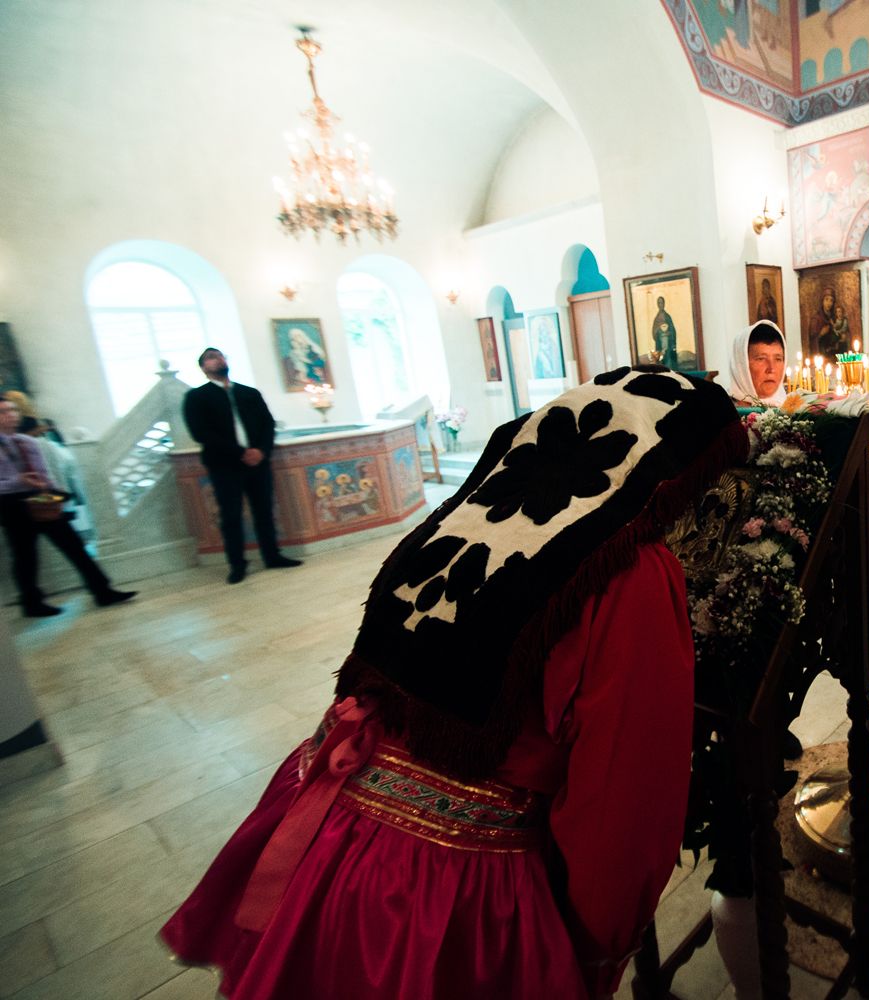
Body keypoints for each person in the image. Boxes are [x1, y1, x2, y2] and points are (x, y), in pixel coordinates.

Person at [160, 368, 747, 1000]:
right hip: (440, 893)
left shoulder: (466, 515)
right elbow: (622, 809)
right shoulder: (630, 573)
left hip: (328, 838)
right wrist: (598, 948)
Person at [0, 400, 135, 616]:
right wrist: (19, 482)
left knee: (74, 546)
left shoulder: (27, 442)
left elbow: (44, 472)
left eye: (12, 410)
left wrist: (53, 491)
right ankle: (31, 603)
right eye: (3, 412)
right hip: (11, 505)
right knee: (25, 555)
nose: (11, 415)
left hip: (41, 499)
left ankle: (102, 590)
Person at [182, 348, 302, 584]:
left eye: (220, 356)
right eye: (211, 358)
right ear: (203, 368)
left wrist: (261, 451)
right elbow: (201, 433)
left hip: (258, 462)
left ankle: (272, 556)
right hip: (225, 465)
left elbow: (267, 424)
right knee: (231, 515)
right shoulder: (197, 397)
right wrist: (241, 453)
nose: (218, 360)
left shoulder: (249, 393)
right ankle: (237, 564)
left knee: (264, 511)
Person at [727, 320, 788, 407]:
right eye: (761, 359)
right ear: (741, 366)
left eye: (778, 359)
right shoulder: (721, 411)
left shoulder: (794, 410)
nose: (771, 369)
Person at [651, 296, 679, 369]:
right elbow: (654, 332)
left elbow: (673, 330)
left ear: (664, 304)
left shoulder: (668, 317)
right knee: (661, 364)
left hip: (668, 344)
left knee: (669, 363)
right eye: (659, 303)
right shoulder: (656, 319)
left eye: (661, 303)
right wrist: (659, 331)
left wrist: (669, 334)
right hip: (660, 344)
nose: (660, 305)